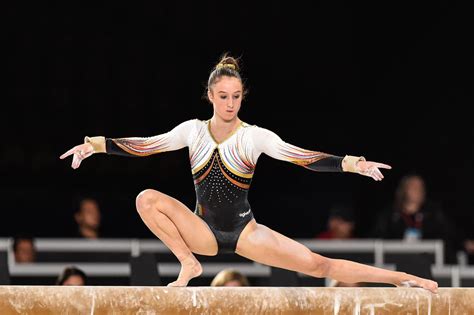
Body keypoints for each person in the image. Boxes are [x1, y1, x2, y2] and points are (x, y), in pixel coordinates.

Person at [60, 54, 437, 292]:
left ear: (243, 95)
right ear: (210, 96)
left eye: (236, 96)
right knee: (146, 199)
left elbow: (303, 158)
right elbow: (145, 145)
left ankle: (403, 278)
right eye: (222, 96)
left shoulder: (254, 137)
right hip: (202, 231)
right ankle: (188, 263)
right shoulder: (191, 131)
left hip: (246, 231)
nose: (229, 103)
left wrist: (352, 163)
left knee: (319, 265)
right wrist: (96, 144)